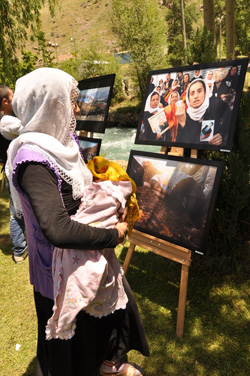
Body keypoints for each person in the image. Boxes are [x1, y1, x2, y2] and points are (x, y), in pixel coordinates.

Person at [5, 68, 149, 376]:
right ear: (50, 104)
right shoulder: (32, 159)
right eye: (72, 100)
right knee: (72, 345)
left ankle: (107, 364)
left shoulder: (59, 142)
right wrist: (114, 234)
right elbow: (58, 228)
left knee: (102, 320)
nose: (79, 108)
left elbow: (75, 191)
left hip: (83, 258)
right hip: (59, 271)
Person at [46, 156, 140, 341]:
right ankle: (67, 321)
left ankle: (64, 321)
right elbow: (124, 220)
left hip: (82, 245)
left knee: (80, 283)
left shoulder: (104, 192)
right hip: (84, 242)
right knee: (89, 280)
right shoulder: (118, 195)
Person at [0, 85, 28, 263]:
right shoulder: (5, 122)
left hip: (12, 170)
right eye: (13, 96)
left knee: (17, 208)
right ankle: (19, 249)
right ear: (5, 101)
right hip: (15, 171)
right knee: (16, 210)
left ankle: (21, 247)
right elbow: (29, 127)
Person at [176, 78, 223, 145]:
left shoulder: (212, 112)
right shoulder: (184, 115)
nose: (196, 96)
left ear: (205, 93)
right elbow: (180, 144)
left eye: (199, 91)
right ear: (188, 98)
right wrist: (182, 124)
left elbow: (221, 133)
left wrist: (220, 137)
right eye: (192, 94)